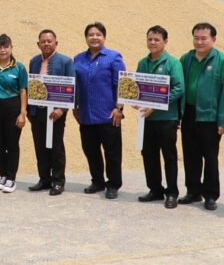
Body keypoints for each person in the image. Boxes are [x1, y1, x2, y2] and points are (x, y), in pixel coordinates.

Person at [179, 23, 224, 210]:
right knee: (190, 155)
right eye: (196, 38)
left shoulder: (223, 60)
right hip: (189, 113)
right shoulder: (186, 59)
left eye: (204, 38)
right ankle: (193, 191)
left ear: (213, 39)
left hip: (210, 116)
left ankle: (210, 195)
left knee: (210, 157)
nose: (199, 42)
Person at [73, 22, 126, 200]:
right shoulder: (78, 59)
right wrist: (75, 106)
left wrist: (119, 108)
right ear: (86, 38)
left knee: (112, 152)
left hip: (108, 114)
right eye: (91, 35)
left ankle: (113, 184)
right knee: (90, 150)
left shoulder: (114, 57)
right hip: (86, 114)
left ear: (104, 37)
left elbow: (122, 85)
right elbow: (75, 85)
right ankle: (97, 181)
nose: (94, 38)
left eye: (98, 34)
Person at [135, 26, 184, 209]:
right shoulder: (143, 63)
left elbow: (179, 88)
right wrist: (133, 99)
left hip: (167, 118)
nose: (153, 42)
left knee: (169, 156)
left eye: (157, 39)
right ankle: (155, 189)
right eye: (150, 39)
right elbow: (137, 86)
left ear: (165, 41)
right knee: (148, 154)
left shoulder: (173, 63)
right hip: (146, 118)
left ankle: (172, 193)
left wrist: (155, 106)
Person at [27, 29, 75, 196]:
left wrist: (62, 109)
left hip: (56, 113)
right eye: (43, 41)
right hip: (37, 111)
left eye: (49, 41)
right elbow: (31, 86)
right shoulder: (34, 61)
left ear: (56, 43)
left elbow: (71, 87)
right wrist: (29, 111)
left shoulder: (66, 61)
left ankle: (58, 181)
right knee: (40, 146)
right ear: (38, 44)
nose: (46, 44)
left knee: (56, 147)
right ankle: (44, 179)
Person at [0, 34, 28, 194]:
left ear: (11, 48)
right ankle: (2, 175)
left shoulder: (19, 68)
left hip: (13, 107)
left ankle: (11, 178)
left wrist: (23, 113)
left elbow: (23, 91)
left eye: (6, 47)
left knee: (12, 144)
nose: (3, 50)